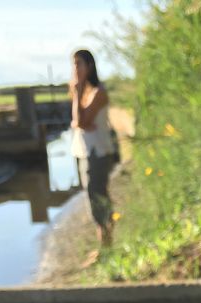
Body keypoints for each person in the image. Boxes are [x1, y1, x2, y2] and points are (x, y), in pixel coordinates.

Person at [69, 49, 117, 262]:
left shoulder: (98, 92)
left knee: (98, 198)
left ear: (89, 66)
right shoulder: (86, 93)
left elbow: (80, 121)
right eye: (74, 64)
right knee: (93, 198)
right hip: (86, 152)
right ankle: (105, 246)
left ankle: (106, 248)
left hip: (97, 152)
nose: (75, 69)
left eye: (79, 64)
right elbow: (80, 121)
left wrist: (78, 95)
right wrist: (77, 96)